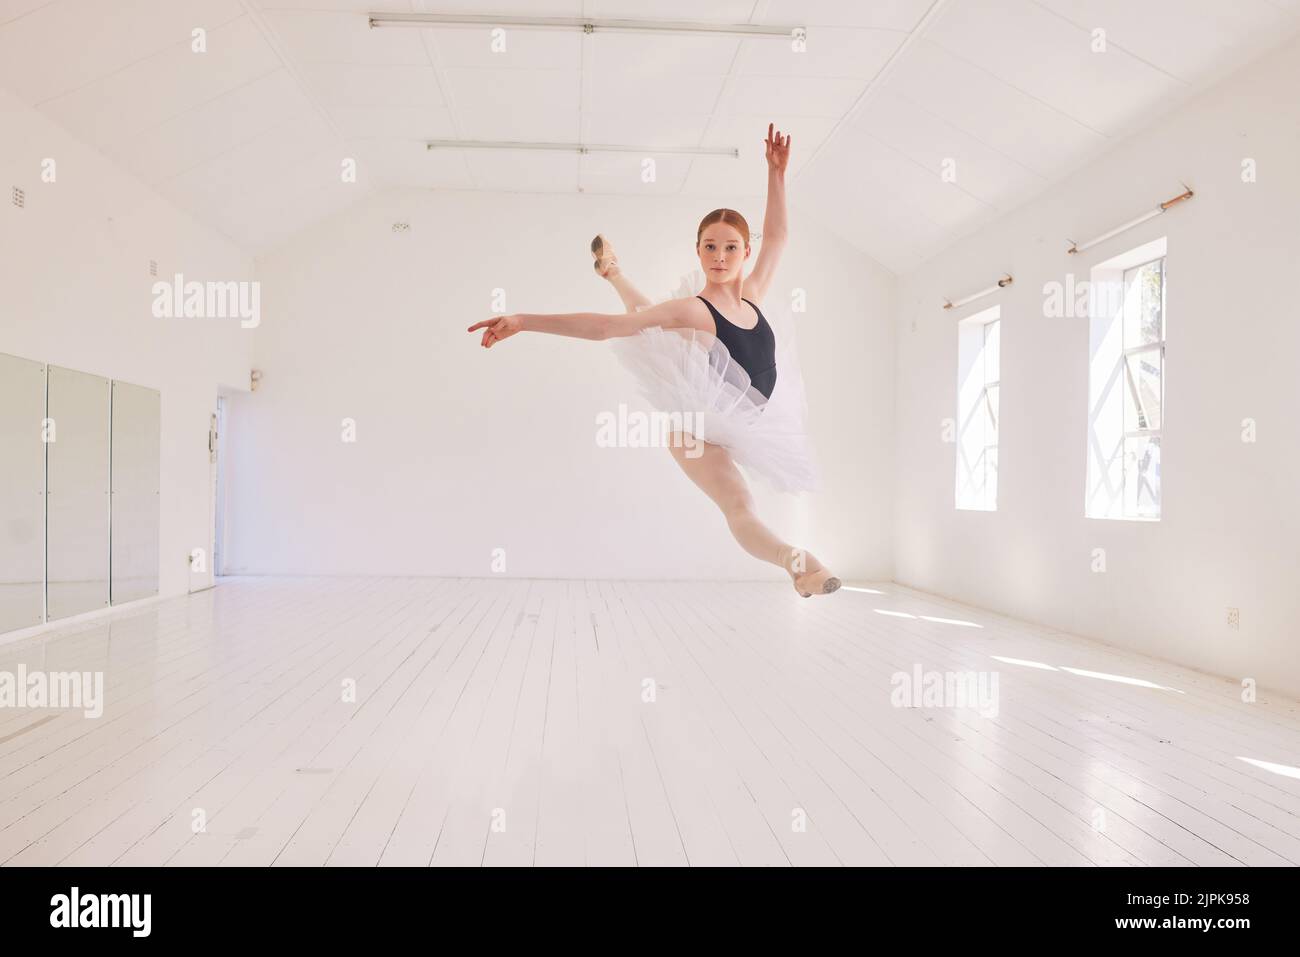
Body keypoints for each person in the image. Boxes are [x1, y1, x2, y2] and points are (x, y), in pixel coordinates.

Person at [468, 124, 839, 597]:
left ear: (746, 252)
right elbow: (605, 328)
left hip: (747, 416)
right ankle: (798, 564)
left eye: (731, 247)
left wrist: (776, 173)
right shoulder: (693, 309)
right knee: (739, 504)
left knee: (654, 329)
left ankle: (613, 272)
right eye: (710, 246)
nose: (720, 256)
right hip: (697, 427)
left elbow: (781, 236)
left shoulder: (756, 297)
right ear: (698, 250)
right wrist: (524, 319)